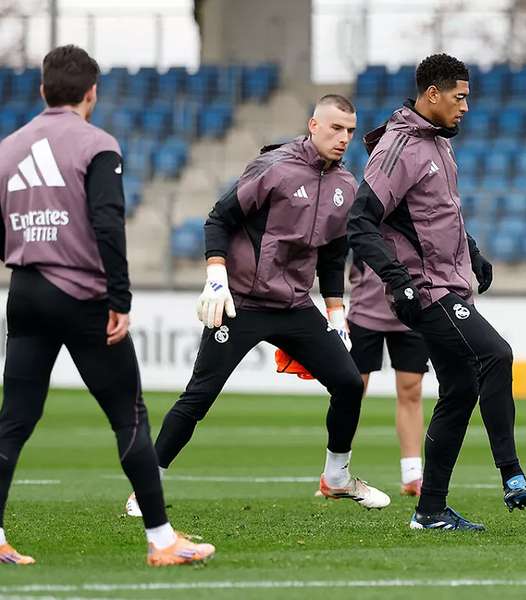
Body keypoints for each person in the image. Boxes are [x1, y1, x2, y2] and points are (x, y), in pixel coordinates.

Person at [124, 94, 390, 517]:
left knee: (348, 383)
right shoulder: (273, 168)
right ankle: (145, 489)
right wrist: (216, 277)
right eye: (336, 128)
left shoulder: (345, 185)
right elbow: (219, 219)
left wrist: (336, 312)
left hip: (294, 305)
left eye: (350, 131)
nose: (344, 138)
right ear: (313, 125)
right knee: (199, 397)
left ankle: (337, 478)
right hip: (243, 302)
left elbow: (332, 255)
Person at [0, 45, 214, 566]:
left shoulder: (8, 148)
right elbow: (107, 223)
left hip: (24, 291)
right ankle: (161, 540)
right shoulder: (97, 144)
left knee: (15, 419)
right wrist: (120, 297)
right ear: (92, 93)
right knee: (128, 415)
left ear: (43, 90)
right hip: (81, 296)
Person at [348, 53, 526, 532]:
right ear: (433, 94)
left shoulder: (438, 144)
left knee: (460, 391)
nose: (465, 107)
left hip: (450, 286)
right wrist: (397, 280)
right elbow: (360, 221)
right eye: (459, 96)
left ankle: (430, 511)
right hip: (427, 292)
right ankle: (511, 472)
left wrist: (473, 252)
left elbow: (436, 217)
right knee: (496, 354)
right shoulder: (399, 147)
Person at [347, 256, 429, 496]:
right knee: (351, 391)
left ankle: (412, 475)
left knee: (411, 390)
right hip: (364, 311)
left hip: (412, 312)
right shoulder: (362, 228)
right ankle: (335, 473)